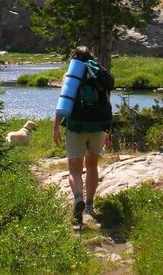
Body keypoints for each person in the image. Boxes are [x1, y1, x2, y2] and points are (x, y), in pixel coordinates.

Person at [53, 45, 112, 222]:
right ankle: (90, 205)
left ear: (73, 58)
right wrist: (109, 131)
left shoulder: (69, 76)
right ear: (92, 57)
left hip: (76, 127)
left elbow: (63, 102)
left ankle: (78, 198)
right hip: (98, 127)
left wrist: (56, 128)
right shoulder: (99, 76)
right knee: (92, 166)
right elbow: (107, 103)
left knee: (75, 170)